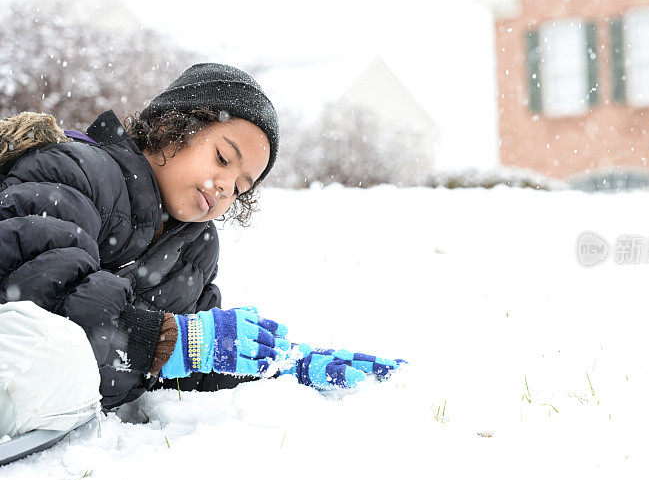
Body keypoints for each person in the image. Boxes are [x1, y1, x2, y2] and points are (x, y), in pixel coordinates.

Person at [0, 63, 401, 414]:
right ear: (171, 125)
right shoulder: (74, 171)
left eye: (242, 188)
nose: (227, 187)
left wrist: (277, 363)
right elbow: (37, 298)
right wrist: (168, 340)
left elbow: (188, 366)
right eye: (223, 159)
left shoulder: (193, 252)